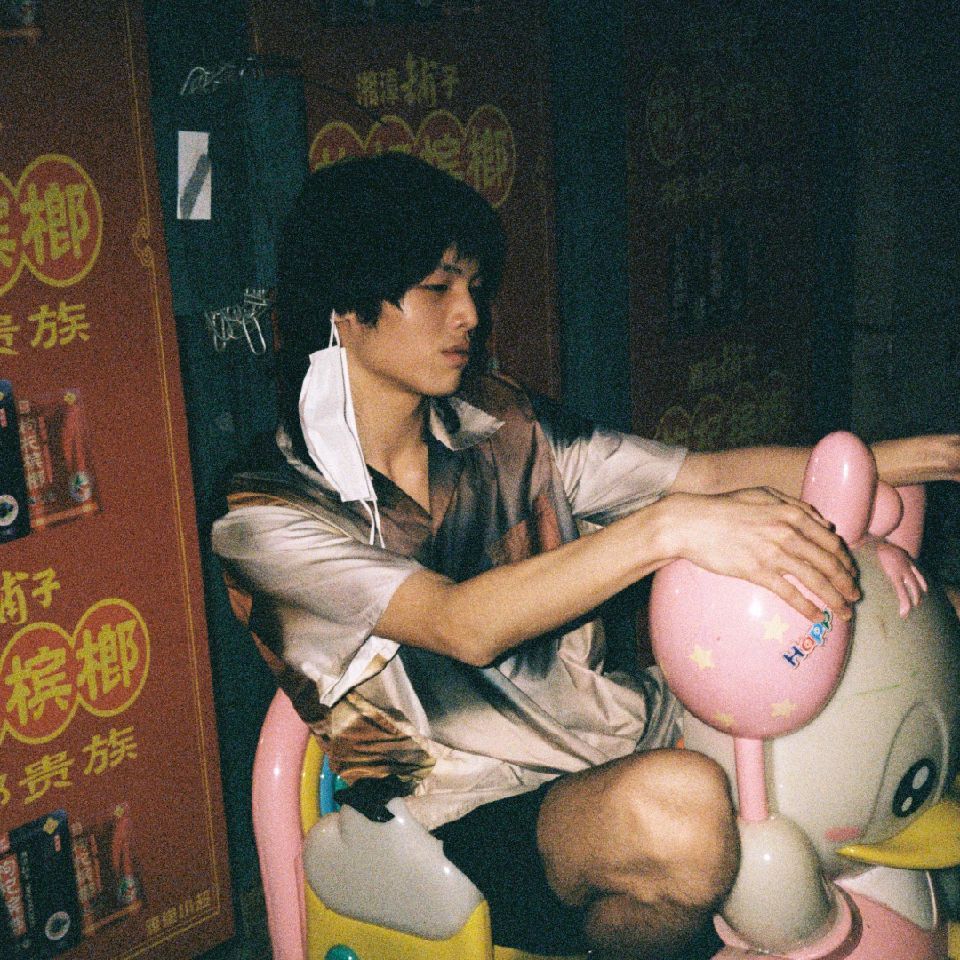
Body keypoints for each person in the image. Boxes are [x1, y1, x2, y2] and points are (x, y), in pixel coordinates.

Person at [212, 152, 960, 959]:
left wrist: (921, 456)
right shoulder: (269, 511)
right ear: (345, 310)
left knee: (915, 637)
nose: (470, 314)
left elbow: (702, 475)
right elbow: (461, 624)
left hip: (617, 737)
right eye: (437, 288)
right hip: (457, 816)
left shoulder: (499, 425)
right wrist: (667, 530)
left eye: (473, 286)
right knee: (680, 815)